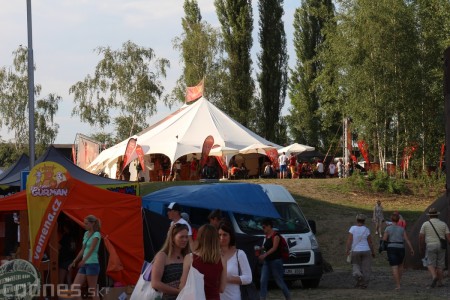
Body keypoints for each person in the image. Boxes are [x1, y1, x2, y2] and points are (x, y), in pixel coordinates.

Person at [179, 224, 227, 300]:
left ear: (199, 237)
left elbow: (182, 286)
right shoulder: (222, 259)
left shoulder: (190, 258)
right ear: (216, 239)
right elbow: (221, 289)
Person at [151, 223, 190, 300]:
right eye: (181, 237)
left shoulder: (188, 256)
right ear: (172, 238)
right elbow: (155, 283)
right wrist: (178, 292)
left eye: (186, 237)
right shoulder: (162, 256)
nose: (185, 240)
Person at [70, 215, 101, 300]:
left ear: (92, 223)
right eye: (84, 223)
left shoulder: (97, 234)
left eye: (86, 223)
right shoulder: (86, 234)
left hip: (92, 263)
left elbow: (92, 249)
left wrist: (83, 260)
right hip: (85, 263)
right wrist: (75, 260)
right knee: (75, 288)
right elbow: (82, 249)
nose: (85, 225)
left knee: (92, 289)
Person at [218, 222, 252, 300]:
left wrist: (226, 278)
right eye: (219, 235)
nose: (222, 238)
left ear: (231, 236)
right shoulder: (213, 254)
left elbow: (248, 278)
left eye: (225, 234)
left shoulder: (239, 254)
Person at [259, 218, 291, 300]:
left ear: (269, 226)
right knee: (263, 280)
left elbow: (274, 248)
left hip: (276, 261)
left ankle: (288, 297)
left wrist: (265, 254)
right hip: (267, 262)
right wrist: (260, 249)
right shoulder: (267, 236)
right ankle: (262, 297)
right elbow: (265, 246)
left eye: (264, 227)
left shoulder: (276, 236)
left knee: (279, 281)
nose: (263, 229)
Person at [419, 207, 450, 288]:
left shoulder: (425, 224)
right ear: (437, 215)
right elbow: (448, 237)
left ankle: (434, 276)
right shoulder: (443, 224)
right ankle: (440, 282)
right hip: (441, 246)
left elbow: (421, 236)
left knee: (428, 262)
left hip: (430, 245)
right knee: (440, 265)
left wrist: (421, 246)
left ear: (429, 216)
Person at [382, 212, 414, 290]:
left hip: (391, 247)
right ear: (398, 220)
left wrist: (383, 249)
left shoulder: (388, 228)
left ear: (391, 219)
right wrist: (411, 248)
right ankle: (398, 281)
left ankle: (398, 285)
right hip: (401, 248)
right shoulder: (402, 229)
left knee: (394, 267)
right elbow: (406, 239)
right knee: (400, 266)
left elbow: (384, 240)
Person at [346, 214, 375, 289]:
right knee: (366, 268)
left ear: (356, 220)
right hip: (366, 250)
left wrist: (347, 249)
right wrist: (373, 251)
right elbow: (370, 242)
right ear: (364, 221)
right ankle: (364, 284)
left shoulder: (352, 228)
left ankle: (358, 276)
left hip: (355, 250)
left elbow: (349, 240)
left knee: (355, 265)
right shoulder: (366, 229)